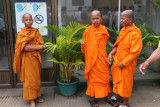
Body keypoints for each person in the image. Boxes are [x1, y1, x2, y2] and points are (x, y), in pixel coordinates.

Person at [81, 10, 118, 107]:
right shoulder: (88, 31)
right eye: (93, 19)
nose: (95, 21)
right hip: (92, 59)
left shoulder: (104, 30)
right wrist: (89, 56)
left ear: (101, 18)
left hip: (102, 58)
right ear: (90, 20)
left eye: (97, 18)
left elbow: (103, 44)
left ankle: (108, 97)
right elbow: (83, 46)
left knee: (105, 78)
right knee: (93, 79)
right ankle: (92, 98)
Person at [107, 10, 143, 107]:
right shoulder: (124, 30)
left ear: (130, 19)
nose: (121, 21)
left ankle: (125, 103)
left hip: (127, 63)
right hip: (118, 61)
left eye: (123, 18)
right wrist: (111, 52)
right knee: (118, 80)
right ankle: (119, 97)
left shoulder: (135, 33)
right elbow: (118, 45)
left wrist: (124, 62)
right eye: (121, 18)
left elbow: (135, 52)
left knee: (126, 83)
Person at [13, 13, 44, 107]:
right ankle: (31, 100)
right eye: (26, 20)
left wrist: (32, 46)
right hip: (26, 59)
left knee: (36, 79)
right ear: (23, 21)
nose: (28, 21)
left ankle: (36, 95)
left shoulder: (36, 31)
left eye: (30, 19)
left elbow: (42, 45)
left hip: (35, 59)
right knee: (29, 80)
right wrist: (36, 47)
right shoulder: (21, 33)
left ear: (32, 20)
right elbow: (24, 48)